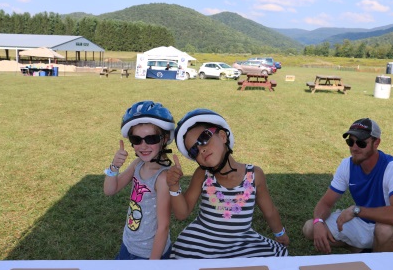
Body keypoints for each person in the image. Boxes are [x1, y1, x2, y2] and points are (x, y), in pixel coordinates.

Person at [166, 108, 289, 259]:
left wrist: (280, 233)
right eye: (194, 151)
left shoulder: (254, 175)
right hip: (202, 243)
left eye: (204, 138)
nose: (201, 149)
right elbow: (182, 214)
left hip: (240, 243)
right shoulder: (202, 175)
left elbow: (269, 211)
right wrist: (173, 187)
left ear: (223, 136)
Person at [302, 118, 393, 254]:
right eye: (350, 142)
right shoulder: (347, 165)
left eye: (361, 143)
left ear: (376, 143)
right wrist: (318, 221)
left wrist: (356, 211)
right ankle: (366, 249)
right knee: (310, 228)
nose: (354, 148)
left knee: (383, 229)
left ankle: (377, 259)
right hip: (364, 223)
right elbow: (325, 203)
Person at [103, 100, 175, 260]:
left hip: (149, 254)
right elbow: (109, 190)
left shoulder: (162, 178)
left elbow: (163, 227)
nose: (143, 146)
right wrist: (114, 166)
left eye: (151, 139)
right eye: (136, 140)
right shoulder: (138, 164)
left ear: (164, 139)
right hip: (129, 243)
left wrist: (152, 265)